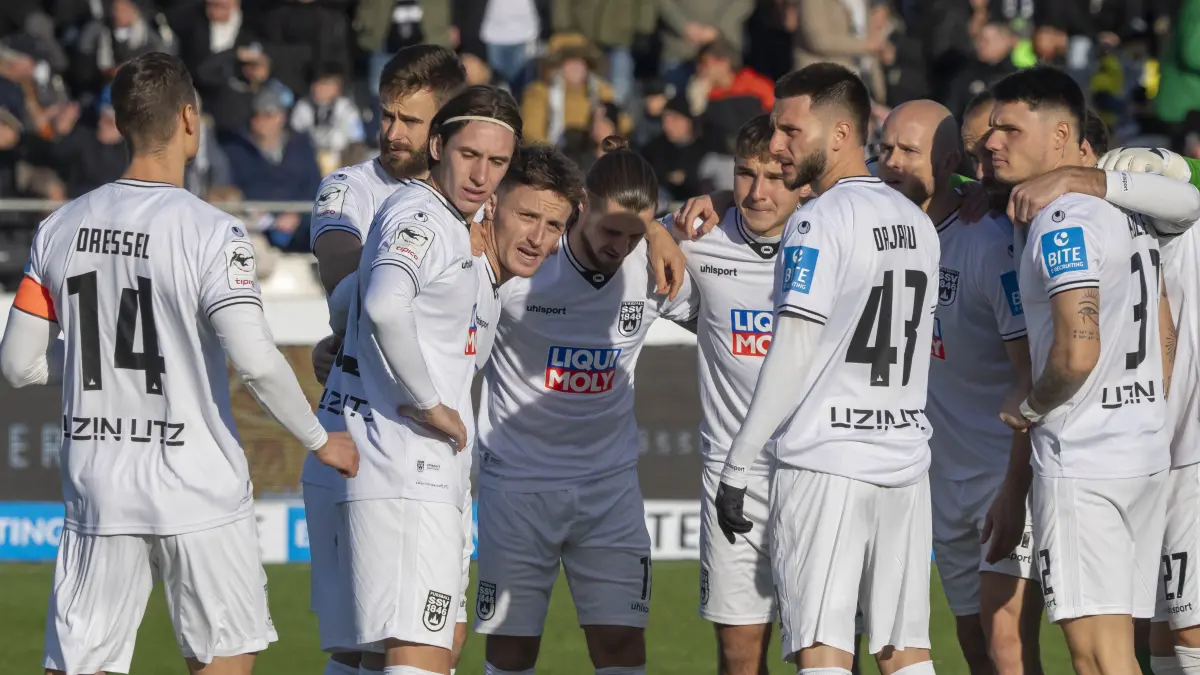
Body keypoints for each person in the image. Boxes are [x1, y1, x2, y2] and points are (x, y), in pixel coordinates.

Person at [0, 52, 357, 675]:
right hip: (198, 488)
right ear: (190, 119)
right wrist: (320, 440)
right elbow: (256, 361)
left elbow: (16, 364)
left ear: (119, 123)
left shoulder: (58, 228)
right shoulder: (213, 232)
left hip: (99, 485)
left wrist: (86, 364)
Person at [715, 62, 940, 675]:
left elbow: (793, 347)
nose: (778, 145)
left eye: (790, 130)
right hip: (903, 463)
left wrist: (737, 465)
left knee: (822, 650)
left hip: (827, 462)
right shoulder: (917, 221)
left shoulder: (817, 219)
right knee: (905, 652)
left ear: (840, 134)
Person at [472, 137, 695, 675]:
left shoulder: (653, 267)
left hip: (609, 489)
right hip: (517, 486)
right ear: (581, 206)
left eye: (634, 234)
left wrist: (660, 233)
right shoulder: (522, 265)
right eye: (610, 231)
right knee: (511, 650)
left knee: (621, 646)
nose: (621, 246)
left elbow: (731, 315)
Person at [986, 65, 1171, 675]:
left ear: (1062, 135)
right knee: (1123, 653)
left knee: (1097, 660)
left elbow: (1077, 351)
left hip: (1086, 462)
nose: (994, 142)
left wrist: (1029, 407)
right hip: (1143, 452)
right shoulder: (1127, 211)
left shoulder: (1062, 220)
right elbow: (1164, 335)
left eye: (1011, 129)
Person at [333, 85, 522, 675]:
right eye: (470, 155)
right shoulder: (425, 217)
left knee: (382, 655)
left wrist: (344, 343)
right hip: (408, 470)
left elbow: (350, 298)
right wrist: (428, 402)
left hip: (401, 468)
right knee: (420, 655)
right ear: (438, 146)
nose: (482, 175)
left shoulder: (437, 218)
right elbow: (384, 304)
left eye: (498, 162)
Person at [301, 44, 467, 675]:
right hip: (368, 444)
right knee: (382, 646)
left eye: (411, 120)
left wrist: (655, 229)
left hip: (441, 455)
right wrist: (354, 330)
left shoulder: (476, 197)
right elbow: (347, 285)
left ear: (444, 130)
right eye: (387, 115)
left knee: (436, 641)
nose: (393, 132)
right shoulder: (348, 189)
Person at [877, 99, 1042, 675]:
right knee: (973, 644)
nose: (890, 162)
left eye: (907, 150)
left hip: (1000, 475)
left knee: (1007, 646)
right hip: (938, 483)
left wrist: (1015, 488)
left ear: (948, 163)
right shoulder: (881, 227)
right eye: (884, 147)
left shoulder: (988, 243)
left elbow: (1031, 377)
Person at [669, 113, 808, 675]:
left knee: (827, 653)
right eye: (745, 175)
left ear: (804, 181)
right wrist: (657, 228)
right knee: (738, 655)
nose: (757, 192)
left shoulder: (835, 236)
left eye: (775, 176)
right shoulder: (700, 240)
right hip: (731, 478)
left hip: (817, 474)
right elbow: (621, 229)